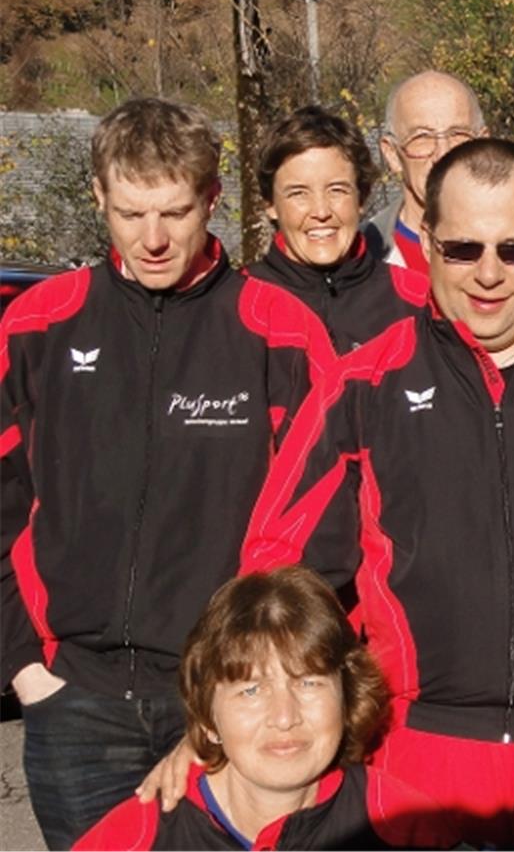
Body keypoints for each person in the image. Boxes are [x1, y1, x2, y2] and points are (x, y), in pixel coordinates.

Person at [242, 137, 514, 847]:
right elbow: (277, 579)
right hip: (415, 756)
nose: (489, 274)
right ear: (426, 247)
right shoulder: (362, 386)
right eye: (462, 249)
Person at [0, 97, 333, 850]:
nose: (152, 239)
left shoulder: (278, 330)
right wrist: (23, 666)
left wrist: (246, 683)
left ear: (212, 200)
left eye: (175, 212)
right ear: (98, 197)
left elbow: (318, 525)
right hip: (72, 702)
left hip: (226, 697)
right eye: (129, 213)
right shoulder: (38, 326)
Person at [74, 566, 459, 850]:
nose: (284, 716)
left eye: (309, 683)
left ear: (348, 697)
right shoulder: (142, 836)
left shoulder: (400, 820)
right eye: (251, 691)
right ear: (208, 718)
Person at [370, 69, 514, 313]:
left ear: (483, 142)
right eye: (422, 138)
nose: (443, 154)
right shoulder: (360, 261)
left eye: (458, 135)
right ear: (392, 154)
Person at [247, 105, 429, 355]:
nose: (321, 212)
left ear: (361, 198)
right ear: (270, 205)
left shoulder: (415, 301)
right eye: (299, 193)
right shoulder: (235, 303)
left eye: (337, 190)